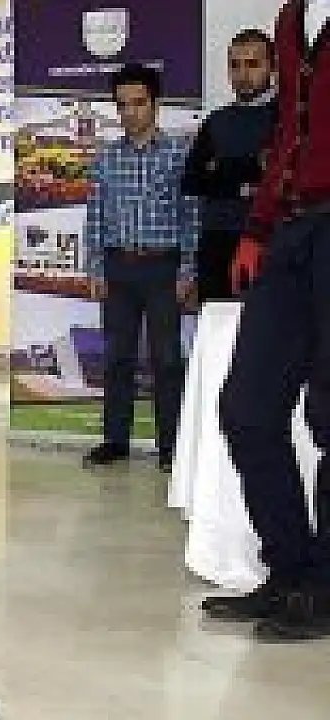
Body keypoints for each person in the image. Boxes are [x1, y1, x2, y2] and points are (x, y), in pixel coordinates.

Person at [211, 0, 330, 642]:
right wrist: (258, 227)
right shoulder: (290, 17)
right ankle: (291, 571)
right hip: (291, 226)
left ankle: (326, 589)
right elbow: (290, 128)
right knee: (247, 407)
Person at [81, 64, 199, 474]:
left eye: (138, 103)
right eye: (123, 105)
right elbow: (95, 215)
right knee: (117, 357)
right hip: (118, 267)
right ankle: (115, 441)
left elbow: (190, 215)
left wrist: (188, 270)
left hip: (163, 268)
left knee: (166, 360)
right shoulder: (106, 157)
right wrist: (96, 268)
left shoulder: (178, 154)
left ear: (155, 104)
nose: (130, 112)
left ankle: (171, 447)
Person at [181, 29, 277, 302]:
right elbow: (192, 181)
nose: (242, 74)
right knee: (216, 325)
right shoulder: (216, 121)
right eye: (235, 65)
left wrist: (222, 170)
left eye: (252, 64)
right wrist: (250, 177)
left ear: (272, 67)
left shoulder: (286, 119)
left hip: (270, 242)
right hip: (216, 243)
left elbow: (282, 180)